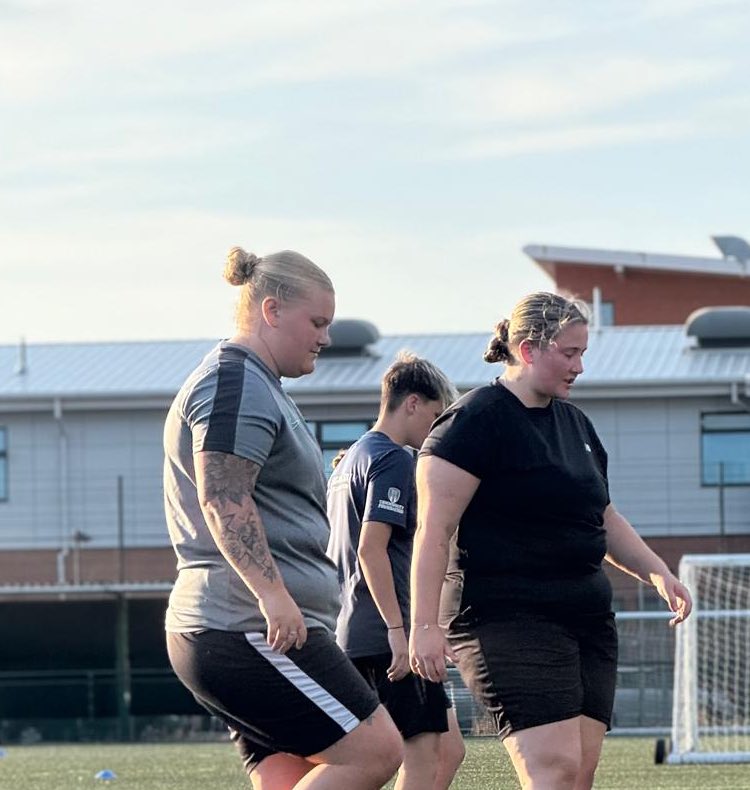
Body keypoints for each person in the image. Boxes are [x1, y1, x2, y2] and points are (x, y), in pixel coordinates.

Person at [408, 292, 693, 790]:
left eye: (583, 353)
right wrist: (423, 625)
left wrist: (658, 573)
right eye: (569, 353)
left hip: (585, 619)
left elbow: (602, 516)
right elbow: (433, 534)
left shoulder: (575, 424)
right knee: (554, 768)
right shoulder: (473, 421)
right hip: (506, 617)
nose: (579, 366)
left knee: (577, 774)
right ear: (527, 349)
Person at [163, 246, 403, 790]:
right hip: (247, 625)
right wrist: (274, 596)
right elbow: (223, 498)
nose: (324, 337)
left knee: (289, 777)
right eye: (317, 322)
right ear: (271, 311)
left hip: (242, 627)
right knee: (376, 751)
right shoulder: (236, 381)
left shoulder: (260, 384)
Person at [326, 352, 465, 790]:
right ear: (412, 404)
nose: (437, 426)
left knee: (449, 748)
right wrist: (398, 630)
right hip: (383, 634)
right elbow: (371, 550)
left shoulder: (350, 458)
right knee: (421, 753)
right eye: (436, 414)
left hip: (356, 627)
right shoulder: (393, 459)